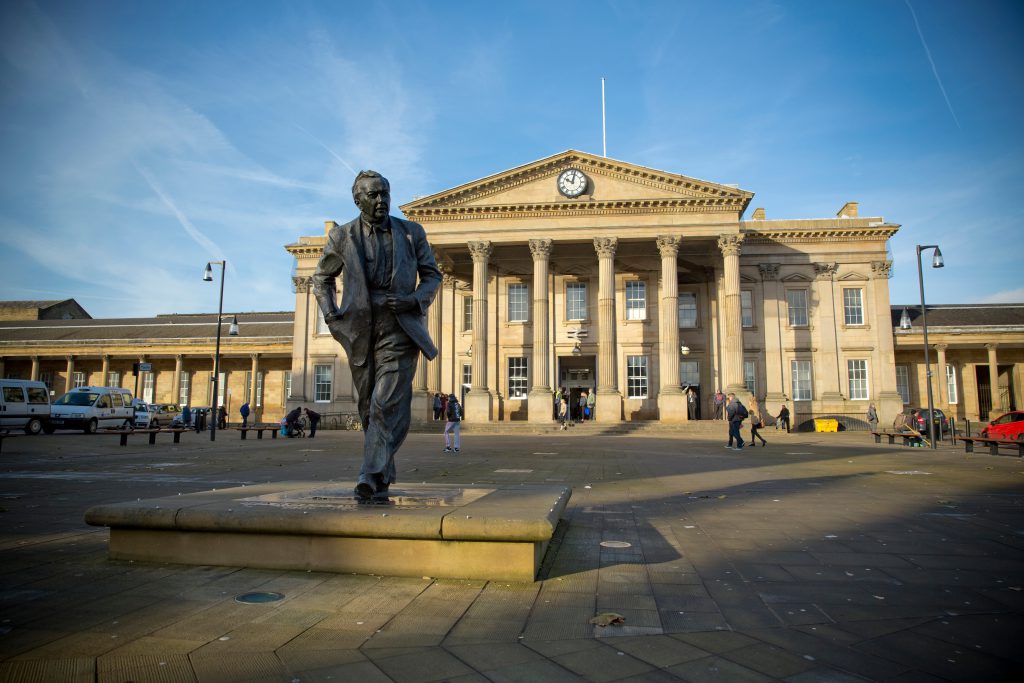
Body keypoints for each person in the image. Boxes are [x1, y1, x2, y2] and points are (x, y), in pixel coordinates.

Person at [313, 170, 442, 500]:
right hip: (360, 330)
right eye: (374, 195)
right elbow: (321, 279)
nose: (382, 200)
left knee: (386, 402)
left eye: (385, 193)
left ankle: (368, 474)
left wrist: (414, 299)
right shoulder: (341, 237)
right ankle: (382, 471)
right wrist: (330, 314)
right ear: (358, 200)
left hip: (400, 328)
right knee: (370, 407)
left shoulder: (411, 233)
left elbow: (432, 276)